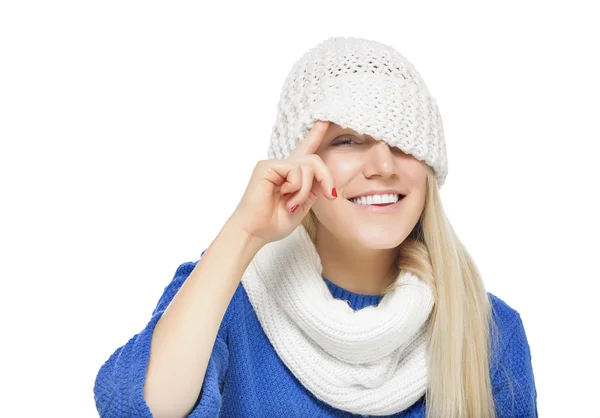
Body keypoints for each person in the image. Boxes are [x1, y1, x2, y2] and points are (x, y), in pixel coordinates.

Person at [93, 36, 538, 418]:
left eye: (404, 143)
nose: (383, 165)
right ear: (299, 164)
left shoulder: (489, 329)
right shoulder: (225, 299)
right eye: (347, 140)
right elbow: (135, 408)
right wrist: (244, 232)